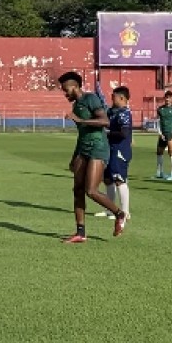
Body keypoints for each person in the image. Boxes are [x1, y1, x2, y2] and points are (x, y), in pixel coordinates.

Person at [60, 72, 126, 242]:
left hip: (98, 148)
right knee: (78, 191)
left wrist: (81, 121)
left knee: (91, 191)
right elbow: (81, 134)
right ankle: (80, 233)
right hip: (83, 149)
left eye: (65, 89)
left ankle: (119, 213)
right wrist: (75, 156)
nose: (64, 93)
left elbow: (105, 122)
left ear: (74, 86)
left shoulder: (91, 99)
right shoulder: (76, 106)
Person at [96, 87, 133, 224]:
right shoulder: (112, 111)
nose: (112, 99)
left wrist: (107, 133)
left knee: (119, 180)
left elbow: (123, 133)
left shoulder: (124, 113)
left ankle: (125, 211)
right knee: (107, 179)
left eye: (114, 97)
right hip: (109, 149)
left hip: (120, 150)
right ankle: (110, 208)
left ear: (122, 98)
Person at [155, 90, 172, 180]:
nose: (167, 99)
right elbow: (158, 122)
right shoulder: (160, 109)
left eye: (169, 97)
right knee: (159, 152)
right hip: (162, 134)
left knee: (171, 152)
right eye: (166, 97)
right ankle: (160, 172)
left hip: (171, 133)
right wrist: (159, 133)